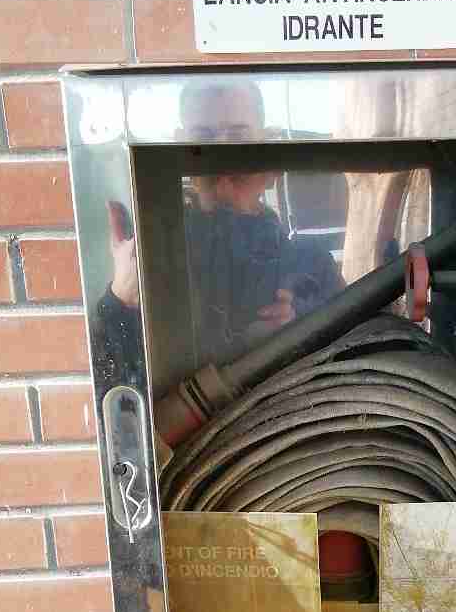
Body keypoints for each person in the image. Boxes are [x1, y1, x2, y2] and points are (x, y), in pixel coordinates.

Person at [94, 77, 343, 384]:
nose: (223, 160)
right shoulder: (152, 260)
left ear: (270, 158)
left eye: (239, 139)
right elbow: (116, 392)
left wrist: (299, 327)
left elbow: (350, 370)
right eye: (204, 139)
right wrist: (120, 301)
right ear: (180, 146)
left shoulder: (312, 265)